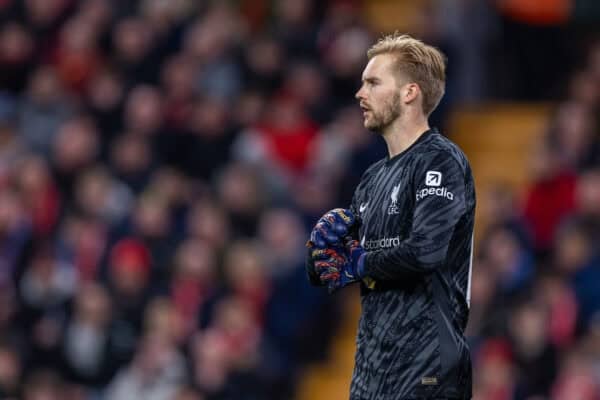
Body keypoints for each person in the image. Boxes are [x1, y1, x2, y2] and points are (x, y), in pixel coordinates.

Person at [306, 33, 476, 399]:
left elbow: (427, 251)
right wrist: (318, 254)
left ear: (409, 93)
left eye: (373, 82)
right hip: (372, 370)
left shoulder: (441, 161)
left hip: (427, 367)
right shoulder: (372, 178)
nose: (359, 93)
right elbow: (339, 267)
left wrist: (361, 262)